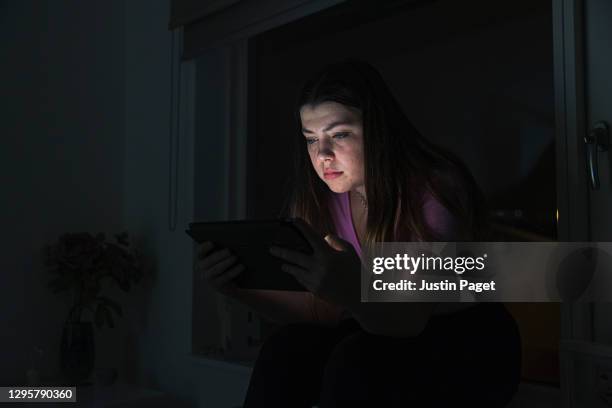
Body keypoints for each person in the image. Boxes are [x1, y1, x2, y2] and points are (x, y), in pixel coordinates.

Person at [197, 60, 521, 408]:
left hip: (467, 337)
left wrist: (351, 289)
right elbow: (318, 312)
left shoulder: (435, 189)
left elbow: (410, 318)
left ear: (377, 130)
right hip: (379, 328)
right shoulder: (322, 200)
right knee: (285, 349)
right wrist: (239, 289)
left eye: (339, 135)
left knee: (355, 359)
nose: (322, 155)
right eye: (311, 139)